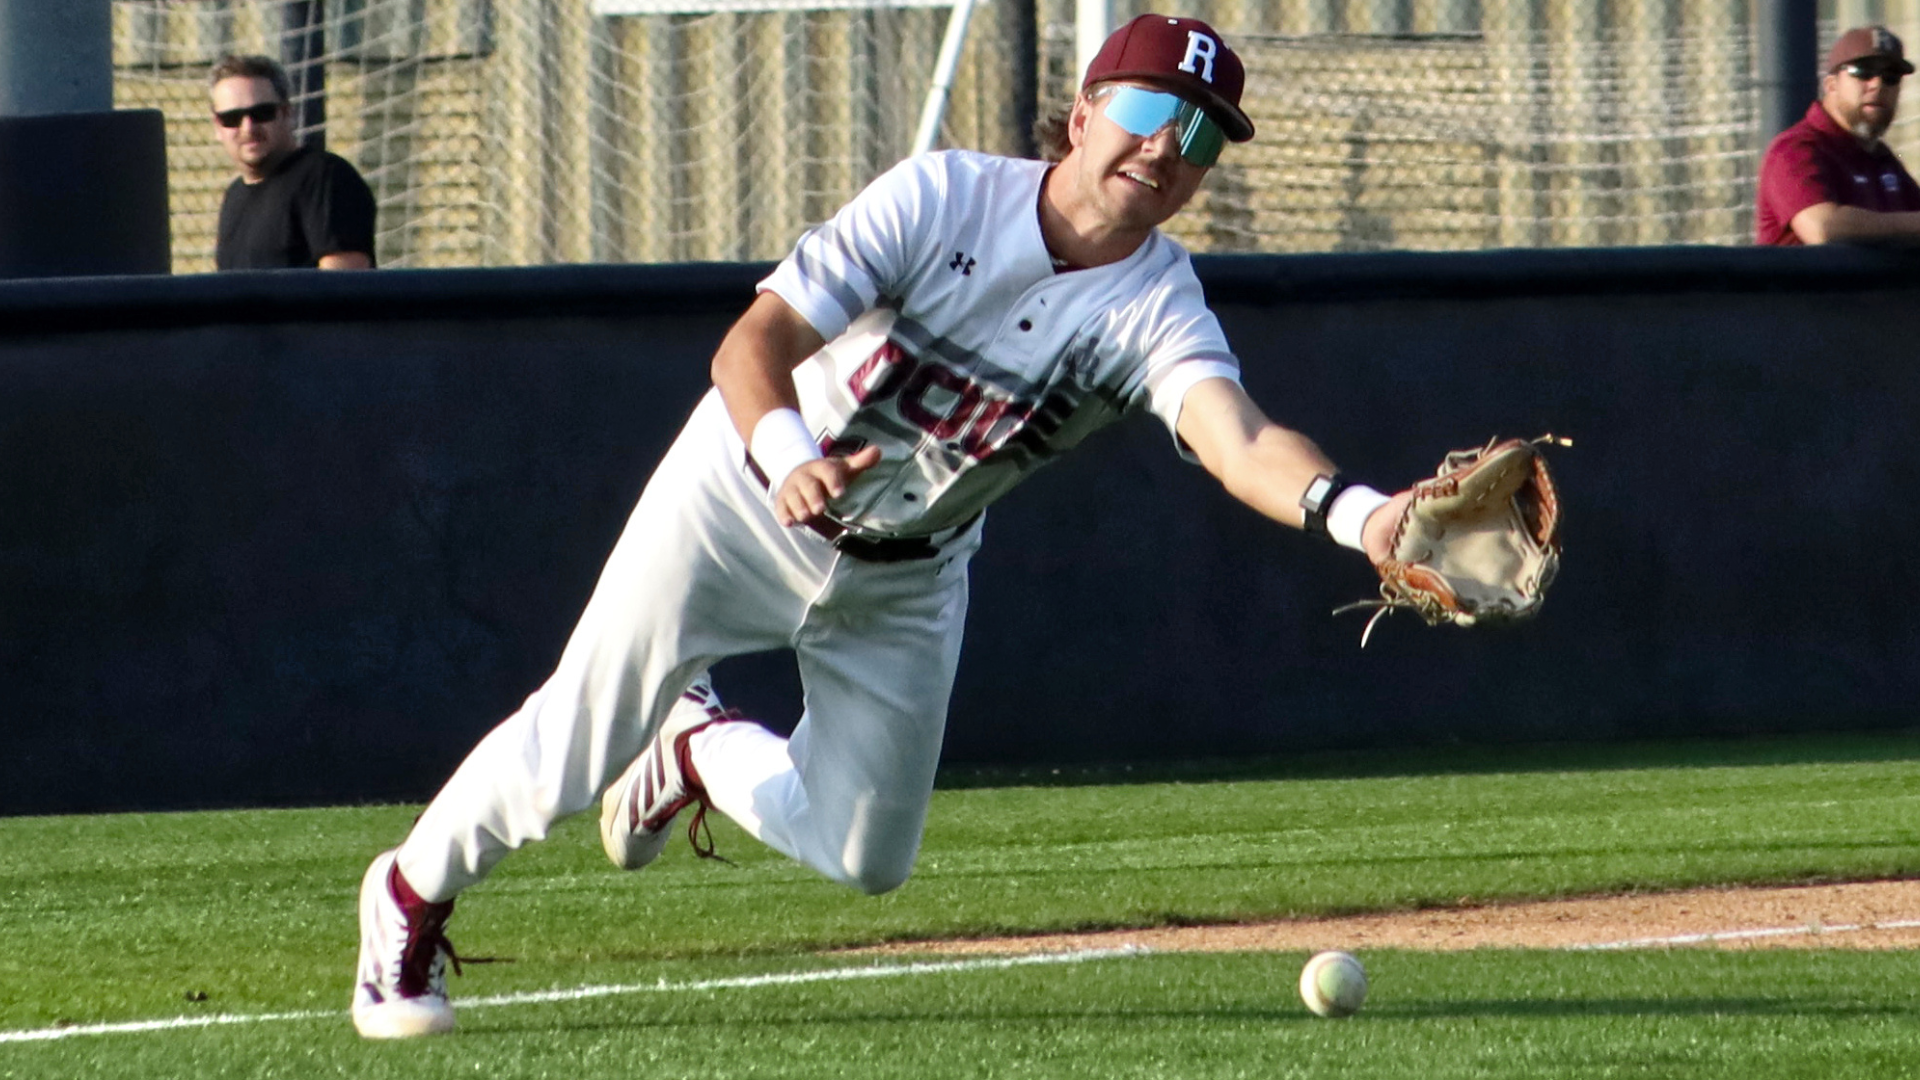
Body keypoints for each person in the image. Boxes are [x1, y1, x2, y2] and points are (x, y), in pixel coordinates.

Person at [351, 13, 1417, 1039]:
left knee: (867, 855)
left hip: (908, 573)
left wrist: (1363, 517)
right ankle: (406, 897)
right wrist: (790, 457)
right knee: (578, 738)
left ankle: (700, 748)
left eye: (1199, 136)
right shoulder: (943, 195)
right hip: (739, 500)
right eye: (1147, 109)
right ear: (1085, 111)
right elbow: (750, 346)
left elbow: (1239, 439)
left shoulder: (1160, 302)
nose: (1165, 148)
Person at [209, 55, 377, 269]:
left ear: (287, 113)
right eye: (232, 118)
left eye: (262, 113)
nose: (248, 128)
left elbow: (345, 283)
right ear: (217, 126)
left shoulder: (324, 178)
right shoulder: (234, 195)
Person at [1756, 25, 1920, 245]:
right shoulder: (1794, 149)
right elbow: (1822, 228)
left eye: (1891, 77)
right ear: (1831, 85)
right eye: (1863, 72)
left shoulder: (1882, 159)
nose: (1878, 85)